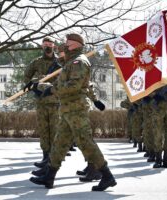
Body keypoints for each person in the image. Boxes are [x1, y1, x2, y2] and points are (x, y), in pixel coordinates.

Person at [29, 33, 116, 191]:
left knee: (86, 143)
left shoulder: (79, 62)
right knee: (59, 144)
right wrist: (41, 85)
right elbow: (64, 82)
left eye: (68, 42)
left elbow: (73, 86)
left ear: (76, 44)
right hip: (68, 110)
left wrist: (50, 90)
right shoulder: (71, 62)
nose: (65, 44)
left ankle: (107, 175)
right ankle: (49, 176)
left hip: (76, 110)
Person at [23, 36, 61, 168]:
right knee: (44, 130)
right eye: (45, 44)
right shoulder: (36, 62)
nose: (48, 46)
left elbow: (65, 78)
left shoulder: (60, 62)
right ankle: (45, 157)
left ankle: (54, 159)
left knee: (55, 130)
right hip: (41, 101)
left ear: (54, 46)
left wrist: (50, 83)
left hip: (56, 101)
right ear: (42, 46)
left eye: (50, 44)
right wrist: (34, 84)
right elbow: (26, 76)